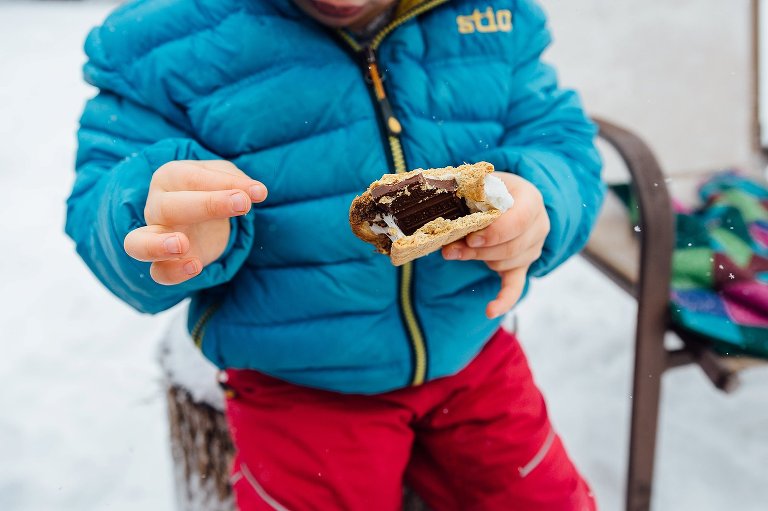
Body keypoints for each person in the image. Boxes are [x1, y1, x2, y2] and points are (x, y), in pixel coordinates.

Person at [66, 0, 604, 509]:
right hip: (299, 382)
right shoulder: (164, 41)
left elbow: (559, 138)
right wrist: (162, 221)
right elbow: (105, 202)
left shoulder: (491, 15)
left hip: (473, 353)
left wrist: (541, 199)